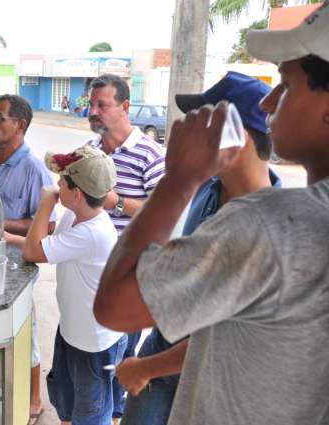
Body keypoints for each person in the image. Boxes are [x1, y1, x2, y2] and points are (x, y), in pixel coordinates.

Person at [94, 3, 329, 424]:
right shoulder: (231, 202)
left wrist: (177, 179)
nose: (270, 101)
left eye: (288, 86)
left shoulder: (269, 223)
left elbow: (114, 306)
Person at [116, 71, 281, 425]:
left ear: (239, 136)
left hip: (205, 367)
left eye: (205, 123)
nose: (193, 131)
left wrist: (145, 368)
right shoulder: (206, 186)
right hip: (163, 346)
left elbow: (225, 337)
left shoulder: (272, 228)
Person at [10, 145, 127, 425]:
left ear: (76, 194)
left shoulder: (93, 232)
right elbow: (43, 246)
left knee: (91, 413)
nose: (56, 184)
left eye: (62, 181)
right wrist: (3, 235)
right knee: (67, 401)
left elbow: (33, 252)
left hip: (93, 344)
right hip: (74, 330)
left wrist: (46, 202)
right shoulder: (77, 216)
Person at [86, 73, 166, 421]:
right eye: (91, 104)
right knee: (93, 346)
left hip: (130, 272)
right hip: (90, 268)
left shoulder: (150, 154)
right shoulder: (89, 151)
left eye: (102, 105)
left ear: (125, 106)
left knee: (118, 352)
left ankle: (113, 411)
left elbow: (165, 211)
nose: (93, 111)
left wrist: (116, 202)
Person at [0, 94, 55, 424]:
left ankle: (34, 400)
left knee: (28, 332)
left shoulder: (33, 168)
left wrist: (1, 222)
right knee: (2, 332)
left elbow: (47, 224)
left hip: (17, 265)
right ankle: (6, 387)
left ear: (20, 125)